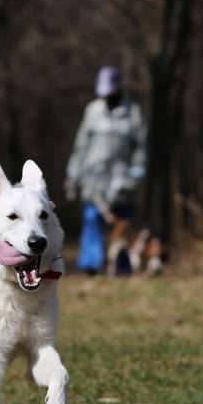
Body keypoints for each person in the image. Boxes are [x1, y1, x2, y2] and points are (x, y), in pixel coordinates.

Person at [65, 66, 149, 275]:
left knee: (123, 223)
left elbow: (140, 147)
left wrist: (136, 173)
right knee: (92, 219)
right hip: (94, 179)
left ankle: (123, 266)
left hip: (123, 180)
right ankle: (91, 265)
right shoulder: (93, 110)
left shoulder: (133, 113)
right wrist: (73, 172)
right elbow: (82, 144)